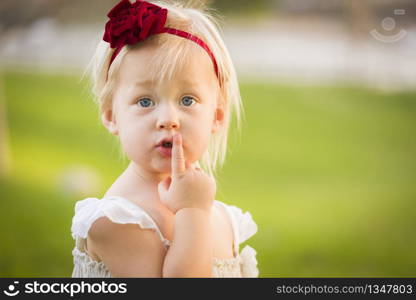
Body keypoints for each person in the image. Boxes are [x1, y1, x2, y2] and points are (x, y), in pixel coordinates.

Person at [70, 0, 258, 277]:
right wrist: (192, 211)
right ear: (112, 116)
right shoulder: (119, 220)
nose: (169, 118)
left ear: (216, 116)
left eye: (187, 99)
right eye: (145, 101)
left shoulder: (221, 217)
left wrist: (196, 208)